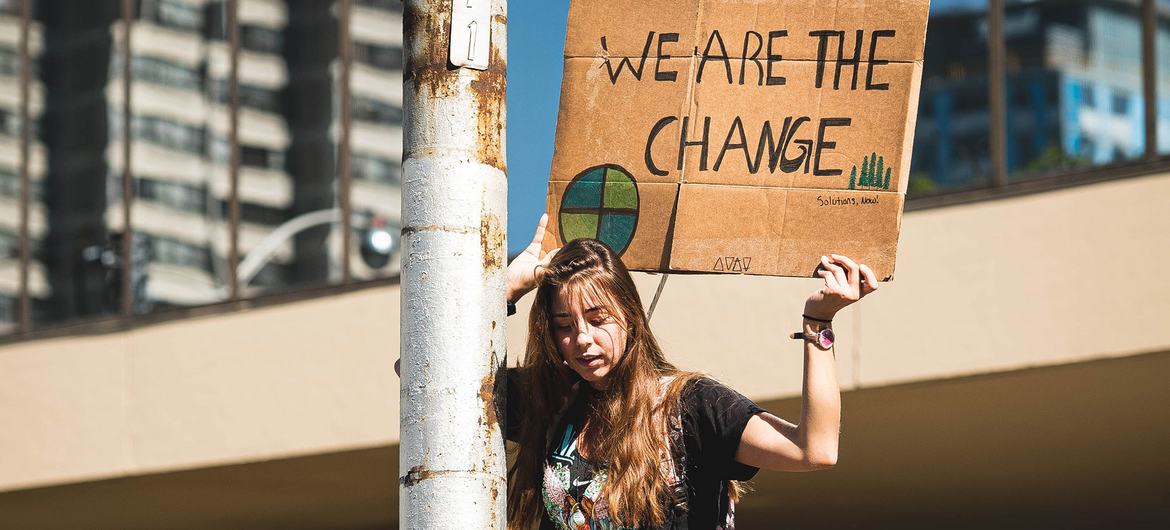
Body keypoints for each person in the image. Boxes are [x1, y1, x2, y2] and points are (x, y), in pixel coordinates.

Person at [502, 214, 878, 530]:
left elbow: (814, 449)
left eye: (598, 319)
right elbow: (450, 382)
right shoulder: (549, 399)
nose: (582, 338)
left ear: (631, 317)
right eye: (564, 325)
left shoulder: (689, 405)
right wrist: (505, 291)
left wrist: (818, 321)